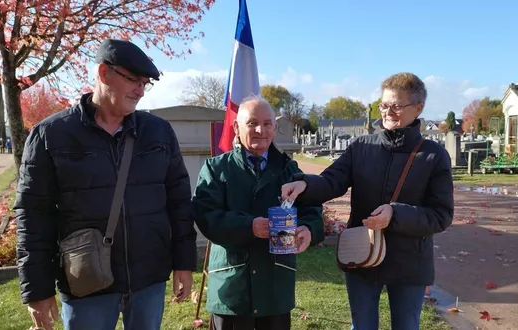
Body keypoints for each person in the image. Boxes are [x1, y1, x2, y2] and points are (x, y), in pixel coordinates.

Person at [14, 39, 196, 330]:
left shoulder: (159, 132)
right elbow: (33, 214)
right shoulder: (50, 135)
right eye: (133, 79)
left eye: (145, 83)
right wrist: (37, 288)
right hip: (86, 284)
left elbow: (179, 202)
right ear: (103, 73)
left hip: (148, 279)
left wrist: (183, 263)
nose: (140, 90)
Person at [281, 72, 454, 330]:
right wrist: (305, 183)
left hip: (409, 263)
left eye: (396, 105)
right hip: (362, 255)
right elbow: (332, 180)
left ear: (418, 108)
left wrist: (395, 215)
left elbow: (441, 214)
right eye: (383, 105)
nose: (387, 112)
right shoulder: (362, 146)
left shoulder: (433, 155)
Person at [192, 95, 324, 330]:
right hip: (232, 288)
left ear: (274, 127)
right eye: (252, 123)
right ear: (236, 127)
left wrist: (309, 230)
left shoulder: (290, 169)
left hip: (275, 287)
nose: (260, 130)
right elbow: (206, 217)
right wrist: (249, 227)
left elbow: (312, 211)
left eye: (267, 123)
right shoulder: (216, 169)